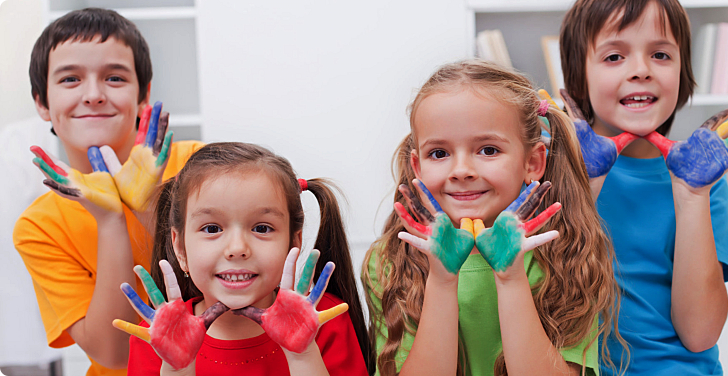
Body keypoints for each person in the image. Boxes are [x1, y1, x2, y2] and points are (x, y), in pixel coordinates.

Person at [362, 60, 621, 376]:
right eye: (439, 154)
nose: (461, 171)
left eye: (487, 150)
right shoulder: (392, 259)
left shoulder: (567, 253)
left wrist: (510, 276)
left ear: (532, 162)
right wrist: (442, 280)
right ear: (417, 167)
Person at [559, 0, 728, 374]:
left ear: (682, 74)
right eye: (615, 56)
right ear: (578, 76)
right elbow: (544, 300)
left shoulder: (701, 180)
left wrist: (692, 195)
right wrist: (582, 184)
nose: (640, 70)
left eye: (661, 54)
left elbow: (700, 333)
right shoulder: (552, 168)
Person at [13, 8, 203, 375]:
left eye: (114, 78)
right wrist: (111, 220)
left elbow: (230, 285)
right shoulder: (39, 226)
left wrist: (151, 204)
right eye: (70, 80)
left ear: (144, 93)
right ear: (42, 102)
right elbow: (114, 354)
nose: (94, 95)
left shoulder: (199, 165)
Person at [119, 142, 371, 375]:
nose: (237, 249)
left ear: (293, 243)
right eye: (212, 229)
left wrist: (303, 356)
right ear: (180, 249)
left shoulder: (323, 319)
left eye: (262, 228)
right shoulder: (156, 336)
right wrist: (177, 369)